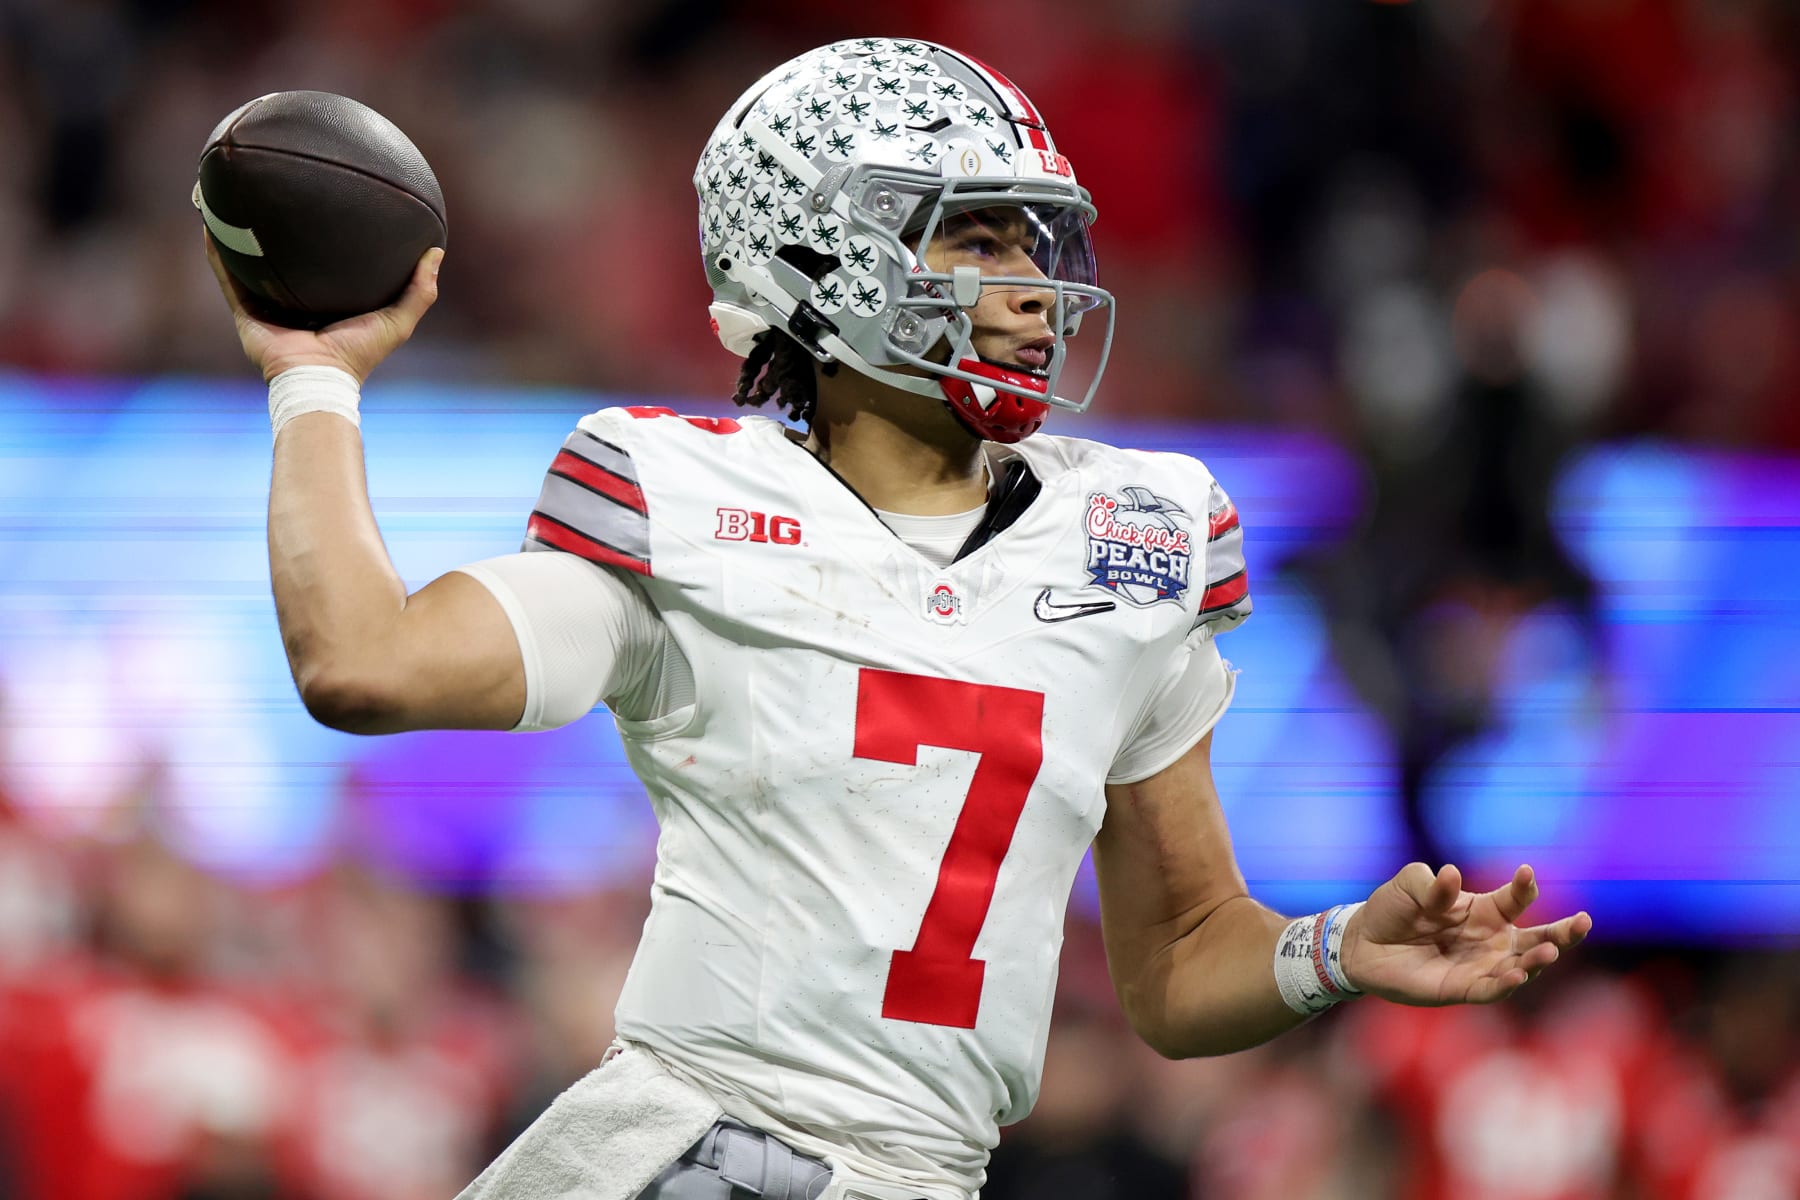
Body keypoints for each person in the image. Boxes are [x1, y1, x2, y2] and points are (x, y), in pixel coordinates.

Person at [204, 37, 1593, 1200]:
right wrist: (315, 378)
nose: (1033, 285)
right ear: (811, 255)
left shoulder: (1135, 542)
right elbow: (363, 664)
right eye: (973, 235)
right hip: (705, 1145)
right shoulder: (682, 497)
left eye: (1038, 239)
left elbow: (1174, 966)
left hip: (926, 1171)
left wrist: (1334, 951)